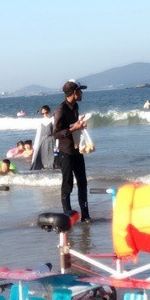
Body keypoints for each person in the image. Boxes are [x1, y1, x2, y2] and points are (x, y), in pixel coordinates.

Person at [52, 80, 90, 221]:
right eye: (80, 91)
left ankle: (85, 216)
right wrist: (74, 128)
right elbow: (55, 133)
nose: (82, 93)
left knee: (82, 183)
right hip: (65, 152)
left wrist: (79, 124)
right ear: (74, 93)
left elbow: (72, 126)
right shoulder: (61, 110)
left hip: (76, 149)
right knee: (67, 184)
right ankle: (67, 216)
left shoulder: (75, 106)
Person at [30, 106, 51, 172]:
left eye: (46, 112)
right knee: (42, 159)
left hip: (51, 141)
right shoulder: (40, 122)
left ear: (49, 111)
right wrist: (35, 146)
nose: (45, 115)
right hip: (42, 141)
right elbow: (38, 135)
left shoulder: (53, 119)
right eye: (43, 113)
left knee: (52, 159)